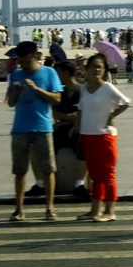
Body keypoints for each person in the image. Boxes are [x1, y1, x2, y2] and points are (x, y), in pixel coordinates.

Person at [6, 40, 63, 222]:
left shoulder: (49, 72)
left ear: (31, 55)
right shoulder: (16, 74)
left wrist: (37, 89)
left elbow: (57, 98)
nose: (19, 62)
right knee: (19, 170)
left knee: (48, 169)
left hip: (42, 126)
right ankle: (19, 208)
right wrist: (15, 91)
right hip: (20, 128)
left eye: (21, 58)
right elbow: (10, 103)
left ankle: (50, 207)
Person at [74, 53, 130, 222]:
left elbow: (125, 102)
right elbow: (81, 109)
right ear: (87, 69)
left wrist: (111, 115)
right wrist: (77, 127)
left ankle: (110, 210)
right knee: (94, 174)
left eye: (100, 67)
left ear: (104, 70)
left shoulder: (107, 88)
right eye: (93, 66)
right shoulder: (84, 88)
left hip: (104, 135)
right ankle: (94, 209)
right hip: (87, 134)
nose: (97, 70)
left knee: (107, 174)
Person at [52, 60, 88, 201]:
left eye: (58, 72)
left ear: (66, 73)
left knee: (82, 150)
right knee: (46, 150)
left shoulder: (81, 91)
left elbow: (81, 115)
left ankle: (79, 184)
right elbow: (56, 114)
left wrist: (69, 121)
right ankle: (47, 182)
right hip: (62, 128)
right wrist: (68, 118)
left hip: (77, 129)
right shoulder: (60, 92)